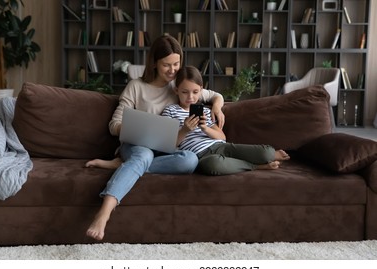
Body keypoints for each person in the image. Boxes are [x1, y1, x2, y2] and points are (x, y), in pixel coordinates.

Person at [85, 35, 225, 241]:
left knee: (190, 160)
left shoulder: (180, 86)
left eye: (177, 63)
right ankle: (103, 213)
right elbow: (114, 125)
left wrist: (217, 107)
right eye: (166, 65)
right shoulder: (136, 86)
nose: (173, 70)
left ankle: (125, 166)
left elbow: (214, 95)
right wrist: (142, 128)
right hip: (138, 145)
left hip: (167, 148)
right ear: (154, 63)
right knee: (142, 155)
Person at [161, 66, 290, 175]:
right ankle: (255, 166)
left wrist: (205, 128)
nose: (191, 97)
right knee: (214, 165)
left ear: (201, 90)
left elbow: (222, 137)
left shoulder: (204, 110)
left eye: (195, 92)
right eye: (185, 92)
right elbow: (167, 145)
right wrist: (185, 130)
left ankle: (263, 158)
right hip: (200, 156)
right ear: (176, 90)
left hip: (220, 146)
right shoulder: (170, 111)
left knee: (267, 153)